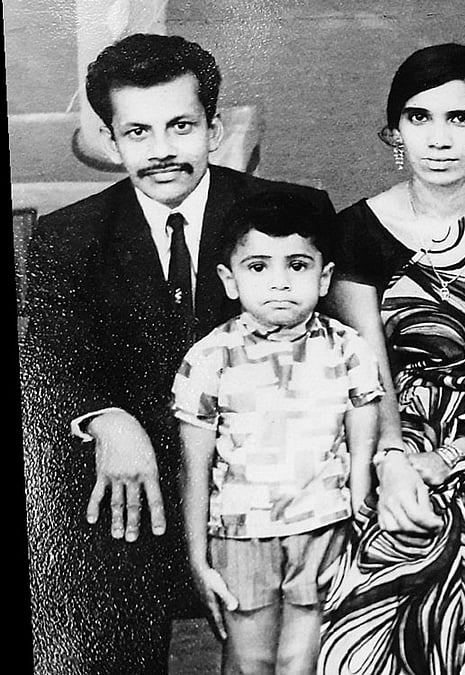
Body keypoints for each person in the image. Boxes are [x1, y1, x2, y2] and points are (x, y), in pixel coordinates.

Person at [20, 33, 337, 674]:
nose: (161, 151)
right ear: (111, 140)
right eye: (137, 132)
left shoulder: (288, 214)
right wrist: (105, 415)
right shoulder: (68, 236)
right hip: (132, 489)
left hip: (267, 478)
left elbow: (325, 354)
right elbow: (51, 356)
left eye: (181, 126)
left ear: (214, 129)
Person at [317, 43, 465, 674]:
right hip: (396, 434)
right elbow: (370, 370)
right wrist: (394, 460)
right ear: (395, 131)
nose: (440, 139)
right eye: (419, 118)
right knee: (378, 581)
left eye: (461, 118)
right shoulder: (357, 229)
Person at [172, 191, 382, 674]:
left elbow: (362, 427)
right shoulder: (211, 357)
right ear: (229, 279)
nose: (281, 284)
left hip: (322, 526)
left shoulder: (348, 348)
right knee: (250, 658)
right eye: (259, 267)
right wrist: (198, 559)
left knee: (301, 658)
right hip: (242, 533)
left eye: (299, 265)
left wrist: (359, 501)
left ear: (324, 276)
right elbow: (194, 466)